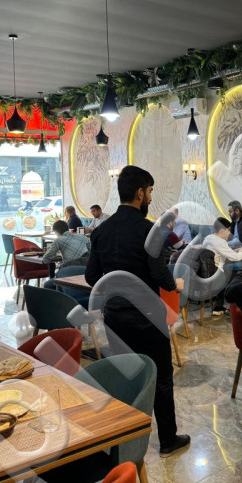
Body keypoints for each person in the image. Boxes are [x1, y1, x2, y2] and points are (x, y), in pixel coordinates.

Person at [85, 165, 190, 458]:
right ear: (141, 193)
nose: (151, 199)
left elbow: (92, 276)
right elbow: (159, 274)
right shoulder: (149, 230)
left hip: (114, 318)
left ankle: (124, 443)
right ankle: (167, 440)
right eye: (151, 192)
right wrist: (175, 283)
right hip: (148, 319)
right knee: (161, 376)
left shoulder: (101, 230)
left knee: (125, 376)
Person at [202, 217, 242, 315]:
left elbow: (220, 252)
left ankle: (219, 306)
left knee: (228, 271)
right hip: (215, 273)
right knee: (236, 276)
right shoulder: (220, 242)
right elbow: (235, 258)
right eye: (228, 230)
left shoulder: (208, 238)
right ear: (222, 231)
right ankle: (224, 307)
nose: (229, 233)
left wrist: (233, 251)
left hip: (206, 272)